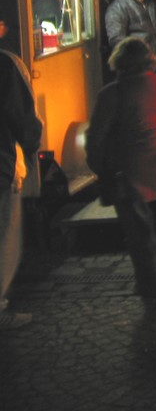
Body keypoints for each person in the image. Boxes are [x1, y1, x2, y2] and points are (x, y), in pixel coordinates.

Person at [85, 38, 156, 300]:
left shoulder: (111, 94)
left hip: (129, 175)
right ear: (150, 60)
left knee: (140, 235)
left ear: (119, 62)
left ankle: (151, 286)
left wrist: (99, 168)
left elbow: (96, 139)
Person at [0, 35, 42, 329]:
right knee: (5, 236)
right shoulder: (6, 65)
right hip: (1, 163)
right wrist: (30, 147)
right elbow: (24, 117)